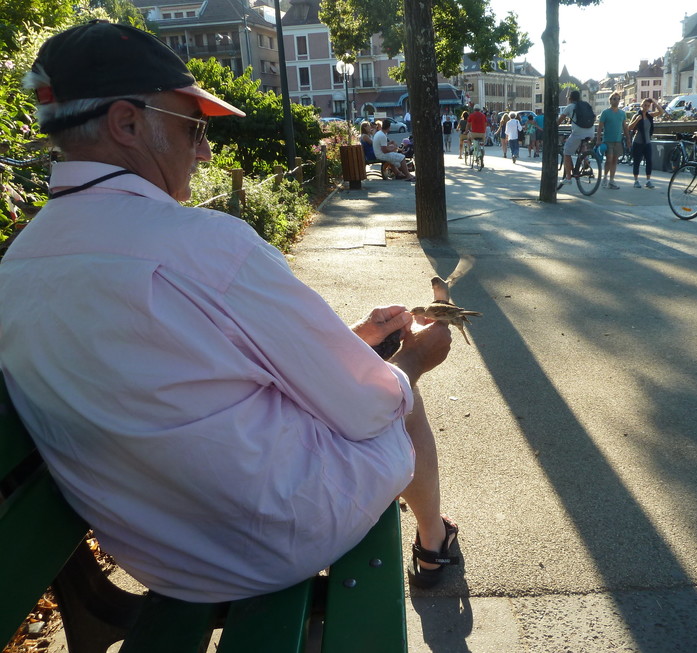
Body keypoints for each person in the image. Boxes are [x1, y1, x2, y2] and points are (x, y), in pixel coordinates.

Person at [0, 21, 458, 601]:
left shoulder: (18, 263)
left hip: (163, 558)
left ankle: (433, 536)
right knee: (396, 397)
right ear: (127, 123)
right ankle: (434, 541)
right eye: (193, 127)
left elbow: (185, 381)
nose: (206, 149)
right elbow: (368, 406)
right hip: (274, 542)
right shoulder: (204, 245)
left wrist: (351, 340)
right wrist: (413, 361)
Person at [557, 90, 596, 190]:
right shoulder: (586, 104)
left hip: (578, 132)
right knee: (582, 145)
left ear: (570, 98)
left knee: (567, 152)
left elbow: (560, 120)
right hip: (591, 131)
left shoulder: (570, 106)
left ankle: (568, 178)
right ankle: (586, 162)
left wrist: (553, 127)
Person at [596, 92, 631, 190]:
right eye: (614, 99)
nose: (616, 101)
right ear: (610, 100)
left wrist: (628, 139)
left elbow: (625, 127)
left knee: (615, 160)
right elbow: (600, 127)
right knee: (609, 159)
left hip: (618, 140)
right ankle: (605, 178)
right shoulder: (605, 113)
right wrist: (598, 139)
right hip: (608, 140)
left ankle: (612, 180)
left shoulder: (622, 113)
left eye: (618, 99)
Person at [628, 98, 663, 189]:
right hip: (638, 142)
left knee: (649, 161)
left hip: (647, 142)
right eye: (645, 105)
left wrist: (654, 102)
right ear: (641, 105)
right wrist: (637, 120)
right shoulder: (636, 115)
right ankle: (636, 180)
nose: (646, 107)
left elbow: (661, 111)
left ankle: (648, 180)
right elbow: (629, 128)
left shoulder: (650, 115)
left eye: (648, 105)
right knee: (637, 161)